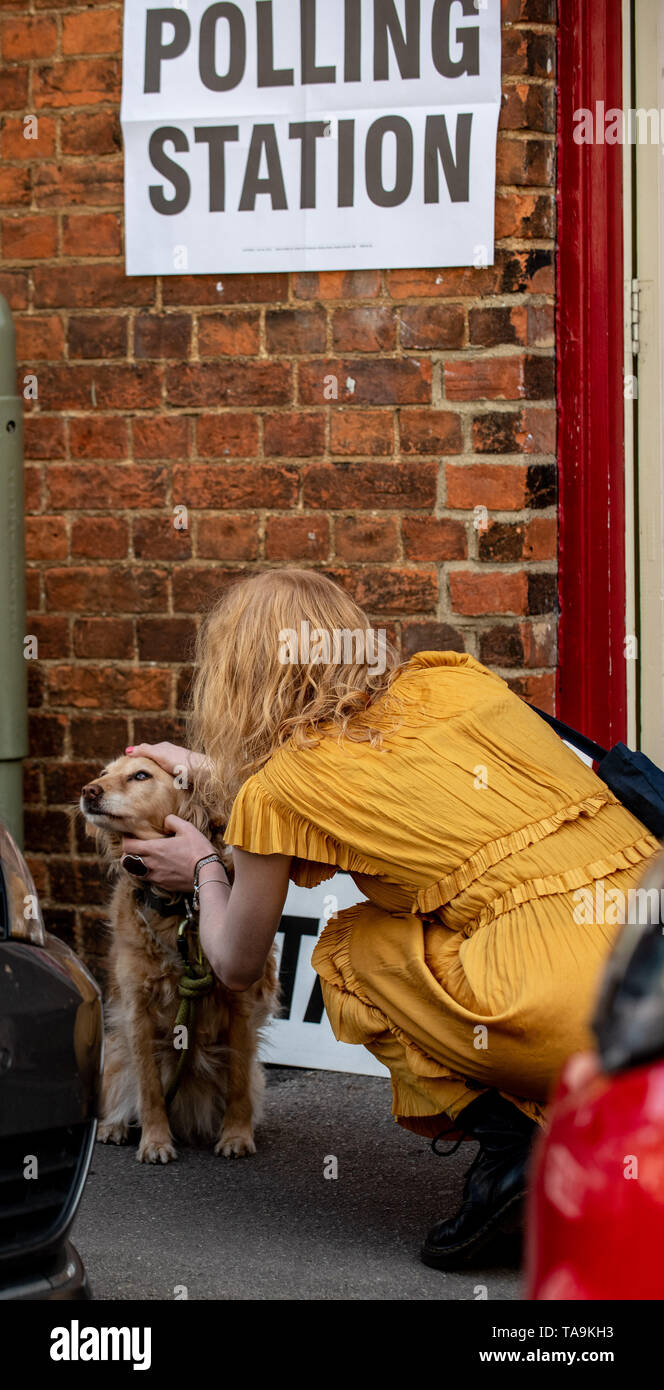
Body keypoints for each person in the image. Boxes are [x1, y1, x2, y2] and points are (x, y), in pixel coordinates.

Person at [122, 569, 661, 1268]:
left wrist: (202, 865)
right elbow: (392, 770)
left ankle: (515, 1152)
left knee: (353, 947)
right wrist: (207, 770)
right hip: (647, 960)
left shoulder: (280, 790)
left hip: (575, 1011)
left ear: (234, 673)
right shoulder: (455, 680)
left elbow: (235, 961)